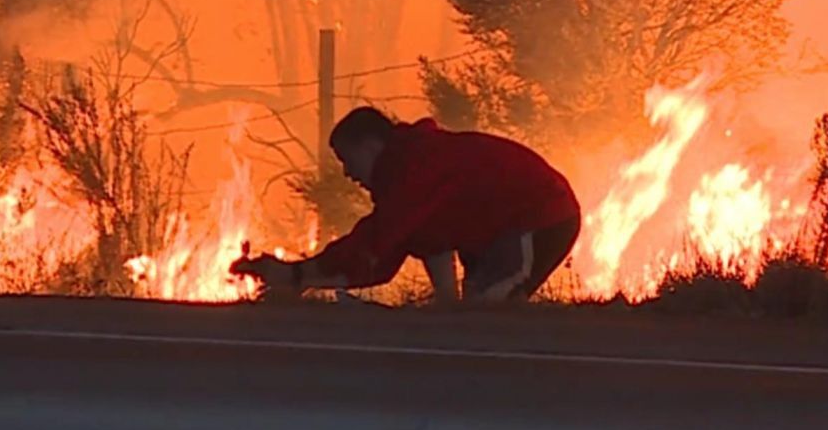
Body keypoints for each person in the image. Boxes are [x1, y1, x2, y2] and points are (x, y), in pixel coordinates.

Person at [231, 107, 581, 302]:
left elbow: (377, 242)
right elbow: (418, 243)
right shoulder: (409, 168)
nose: (348, 173)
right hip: (497, 229)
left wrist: (297, 275)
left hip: (541, 215)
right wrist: (446, 301)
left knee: (485, 313)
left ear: (370, 145)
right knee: (466, 316)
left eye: (346, 159)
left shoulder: (416, 166)